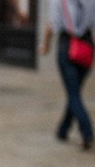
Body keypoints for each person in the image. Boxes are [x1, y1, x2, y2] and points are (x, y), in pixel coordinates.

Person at [39, 0, 95, 151]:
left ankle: (87, 132)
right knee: (74, 91)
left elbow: (52, 25)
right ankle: (63, 130)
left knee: (73, 93)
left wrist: (45, 45)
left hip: (68, 46)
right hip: (87, 46)